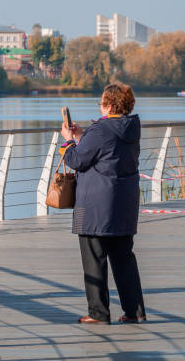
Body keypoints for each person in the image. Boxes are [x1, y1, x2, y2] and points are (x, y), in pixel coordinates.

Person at [60, 82, 146, 325]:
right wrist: (81, 136)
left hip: (95, 205)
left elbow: (77, 160)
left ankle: (98, 313)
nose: (100, 106)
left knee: (94, 259)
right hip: (124, 204)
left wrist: (68, 141)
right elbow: (107, 150)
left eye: (101, 102)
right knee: (124, 259)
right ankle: (135, 311)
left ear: (109, 105)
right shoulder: (131, 127)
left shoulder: (101, 129)